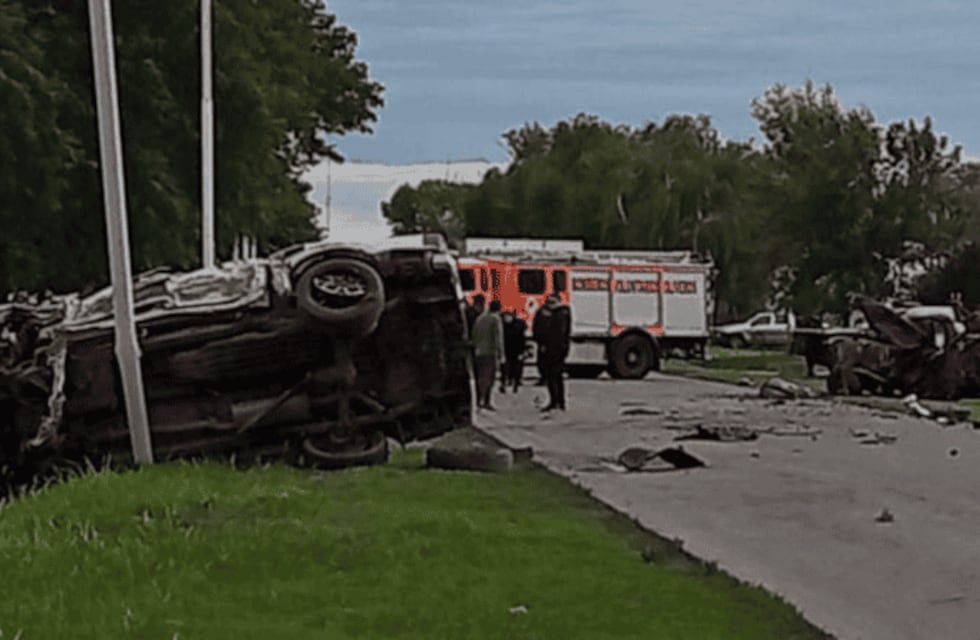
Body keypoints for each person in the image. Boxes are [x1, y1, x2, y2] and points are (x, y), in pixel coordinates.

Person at [533, 295, 571, 411]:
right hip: (559, 349)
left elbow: (546, 331)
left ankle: (556, 401)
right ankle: (559, 401)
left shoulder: (556, 315)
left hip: (553, 349)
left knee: (553, 376)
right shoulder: (563, 313)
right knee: (556, 376)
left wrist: (543, 343)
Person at [471, 299, 505, 410]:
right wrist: (501, 354)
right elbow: (498, 338)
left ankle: (478, 400)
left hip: (478, 352)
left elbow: (474, 335)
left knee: (480, 377)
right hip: (490, 352)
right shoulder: (495, 319)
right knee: (489, 378)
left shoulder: (479, 318)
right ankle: (486, 401)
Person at [499, 310, 527, 393]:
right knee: (505, 368)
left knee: (516, 368)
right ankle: (505, 383)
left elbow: (522, 339)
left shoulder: (518, 325)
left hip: (516, 350)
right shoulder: (502, 326)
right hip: (506, 350)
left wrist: (523, 351)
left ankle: (515, 384)